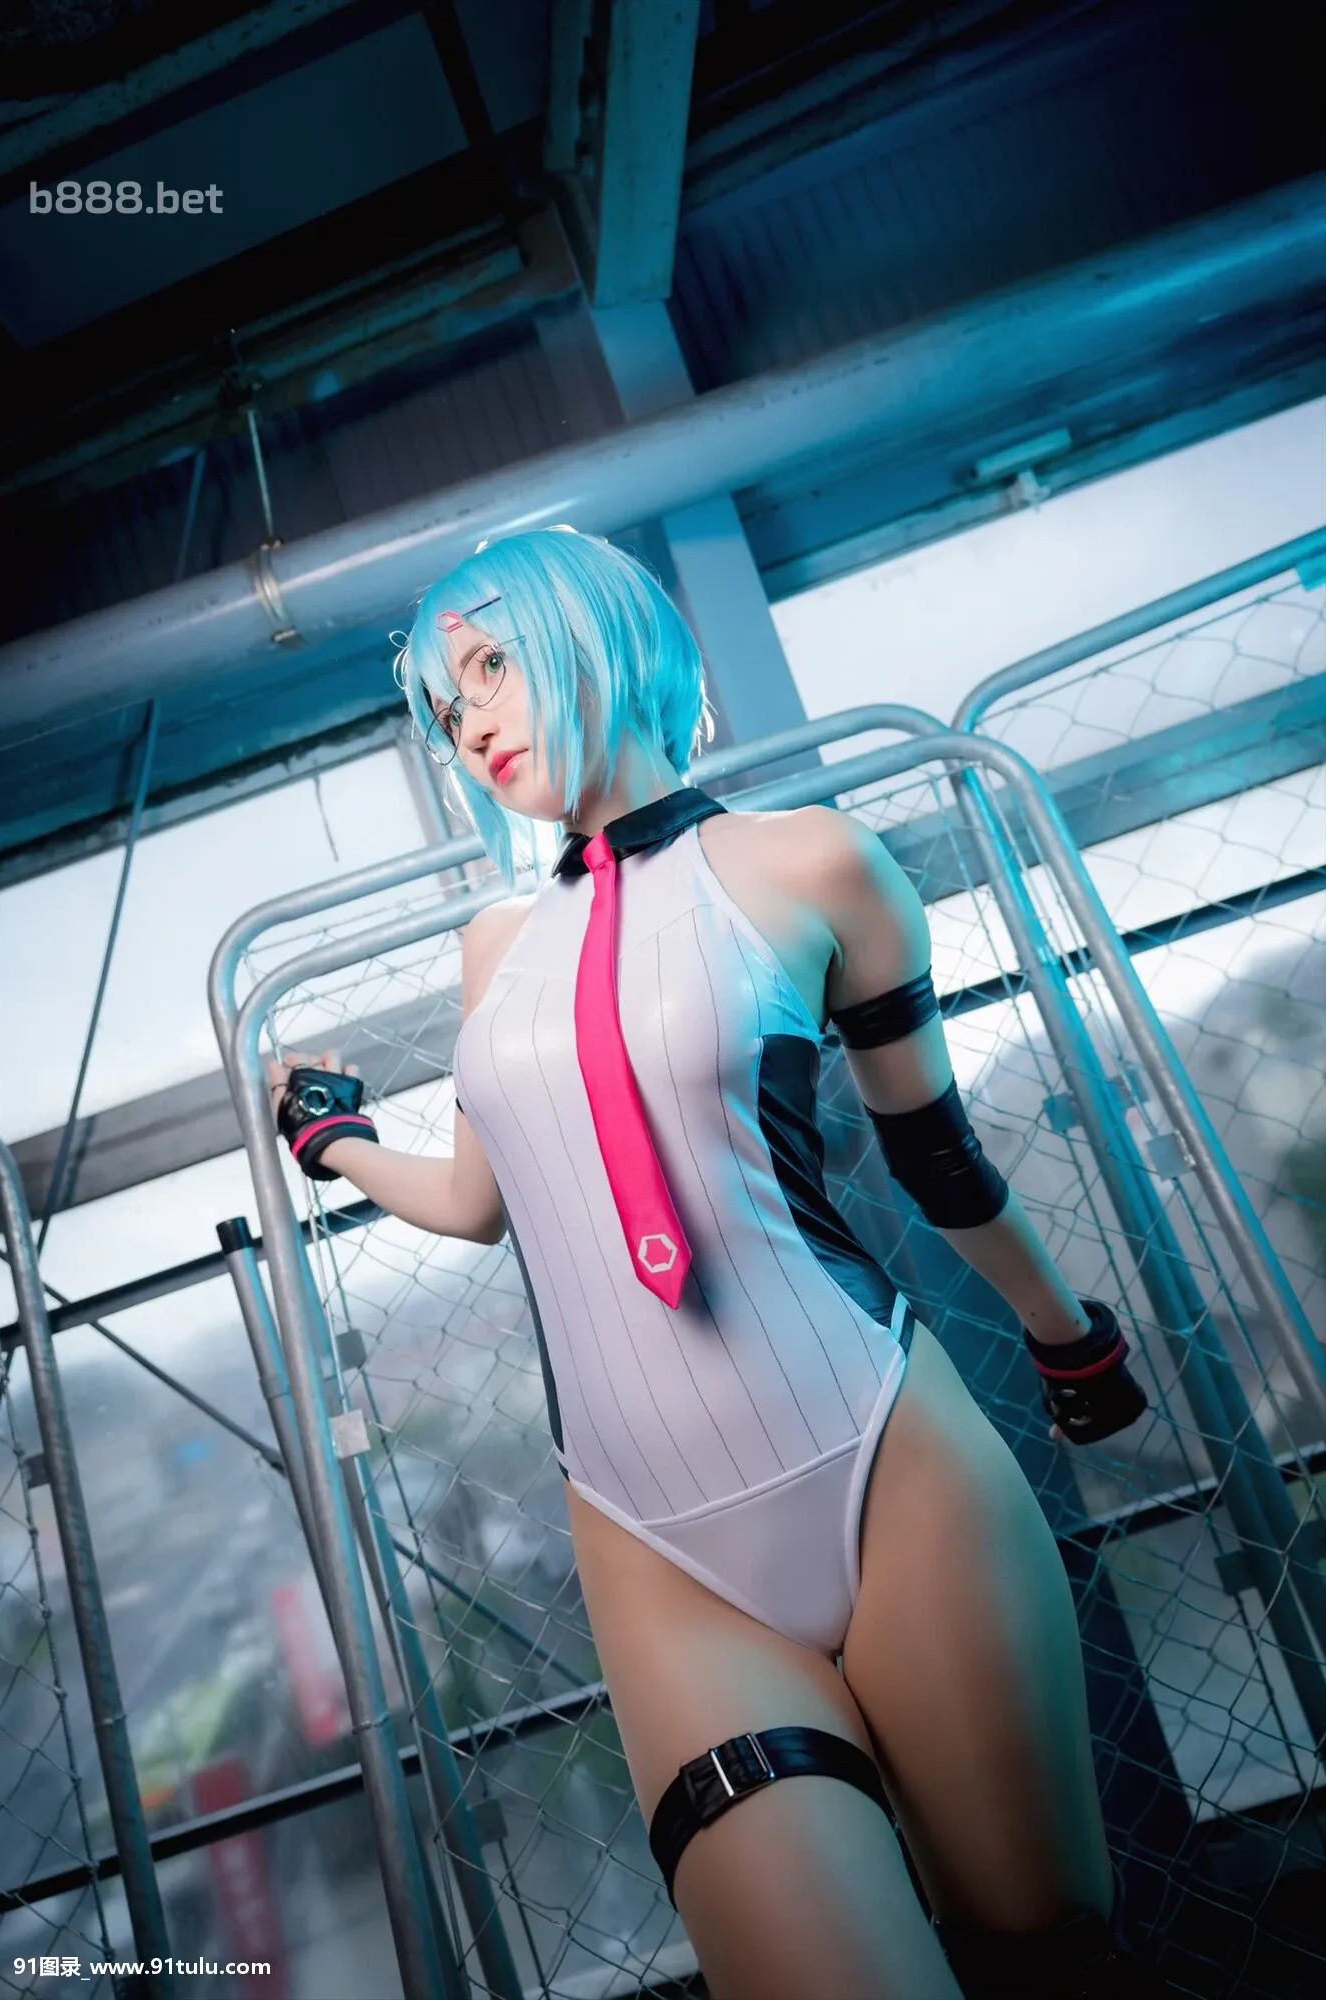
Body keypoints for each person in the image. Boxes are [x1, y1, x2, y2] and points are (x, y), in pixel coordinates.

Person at [268, 527, 1162, 2000]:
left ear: (599, 634)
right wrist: (338, 1143)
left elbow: (937, 1159)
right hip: (651, 1540)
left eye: (490, 667)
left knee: (1045, 1953)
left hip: (886, 1461)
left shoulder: (816, 862)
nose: (470, 724)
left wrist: (1070, 1339)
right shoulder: (498, 947)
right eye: (443, 704)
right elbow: (483, 1202)